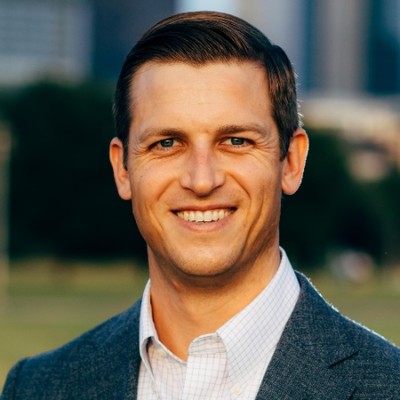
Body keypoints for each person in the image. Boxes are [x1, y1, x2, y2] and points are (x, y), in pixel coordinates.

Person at [2, 11, 400, 400]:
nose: (202, 180)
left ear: (292, 161)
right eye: (167, 143)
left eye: (236, 141)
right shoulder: (37, 387)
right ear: (122, 169)